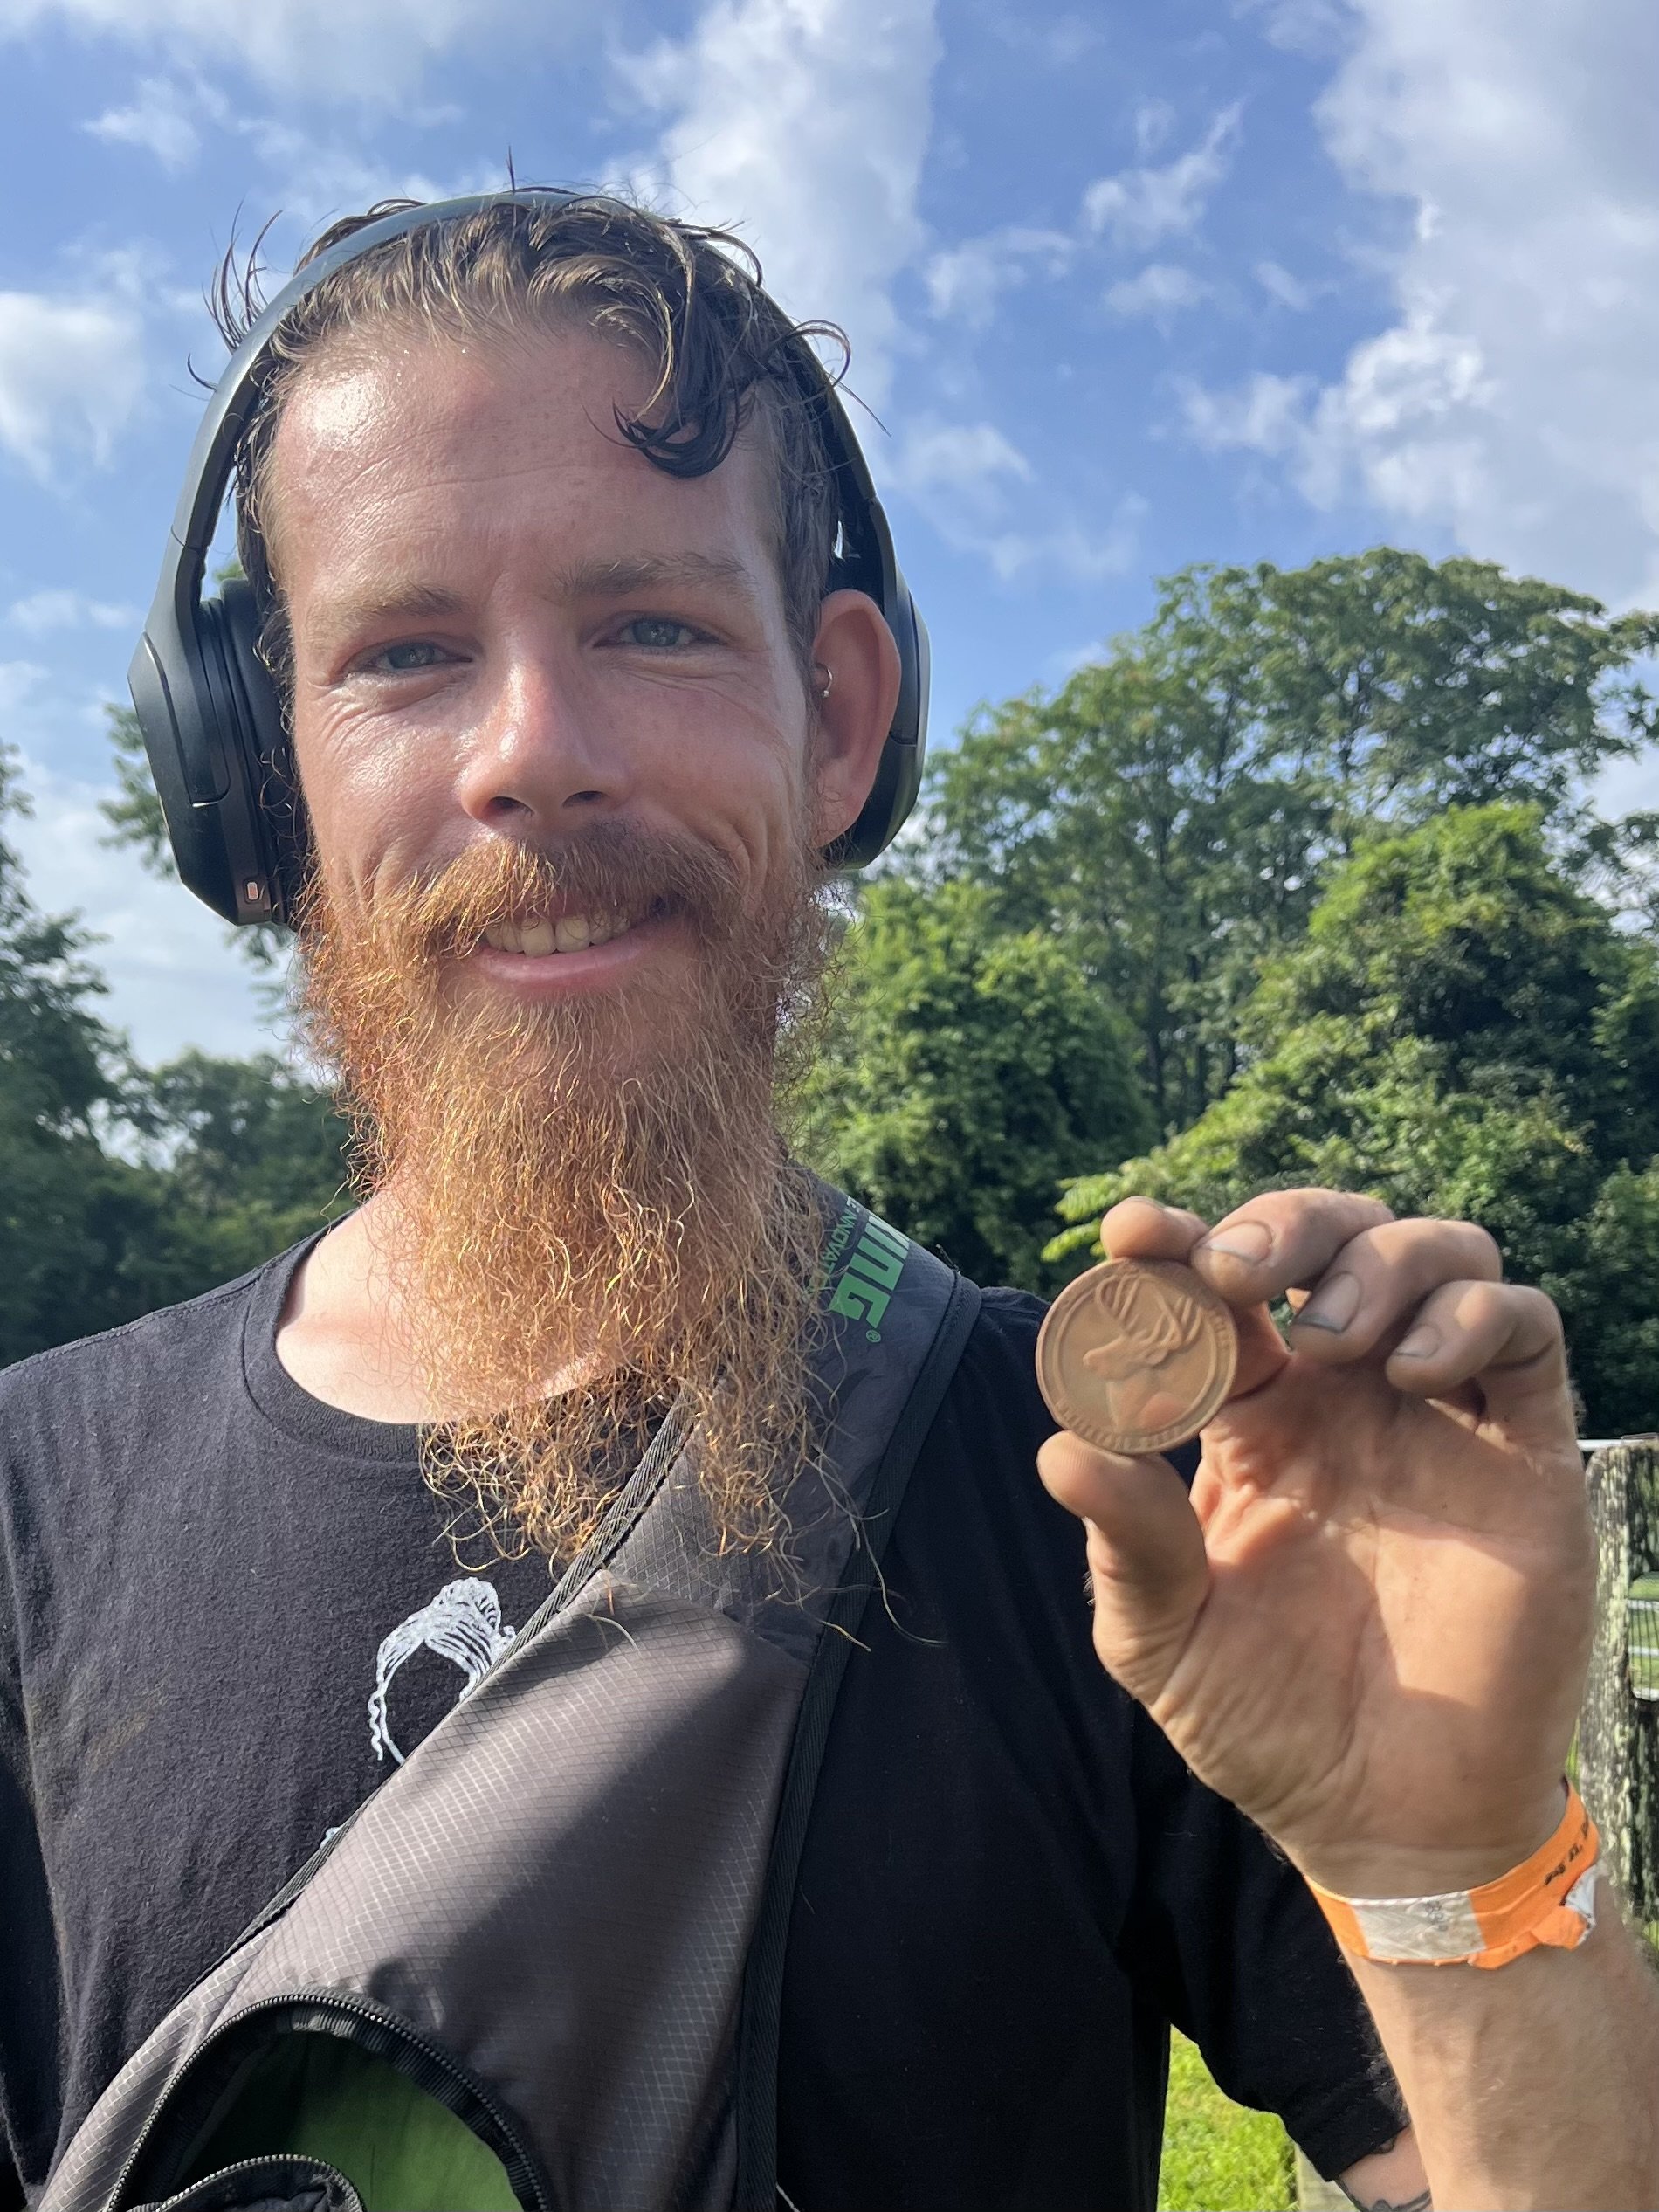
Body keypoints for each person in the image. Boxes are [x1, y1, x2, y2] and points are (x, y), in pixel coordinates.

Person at [0, 189, 1652, 2212]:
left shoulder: (1124, 1522)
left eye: (654, 626)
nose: (536, 751)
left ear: (839, 719)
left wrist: (1451, 1860)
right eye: (407, 652)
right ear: (262, 783)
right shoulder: (26, 1515)